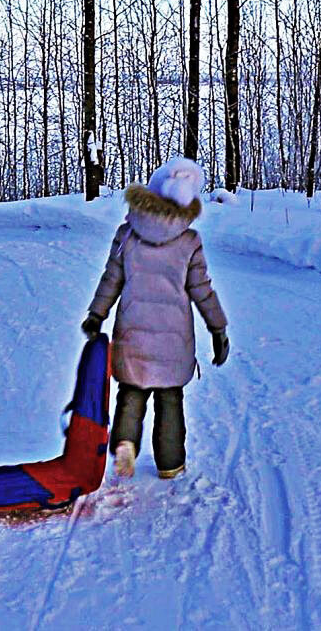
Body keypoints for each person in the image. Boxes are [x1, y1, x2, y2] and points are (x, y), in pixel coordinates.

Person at [82, 157, 229, 479]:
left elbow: (112, 278)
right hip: (174, 337)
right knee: (170, 398)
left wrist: (97, 314)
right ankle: (170, 463)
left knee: (131, 393)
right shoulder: (189, 241)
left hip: (132, 331)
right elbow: (201, 289)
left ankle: (125, 444)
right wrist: (218, 328)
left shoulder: (128, 233)